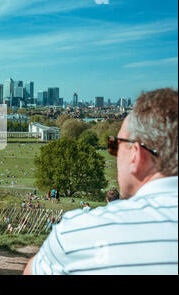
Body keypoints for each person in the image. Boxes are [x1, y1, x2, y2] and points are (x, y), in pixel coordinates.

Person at [24, 88, 178, 275]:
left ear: (135, 155)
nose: (113, 154)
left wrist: (50, 253)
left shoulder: (79, 232)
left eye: (115, 145)